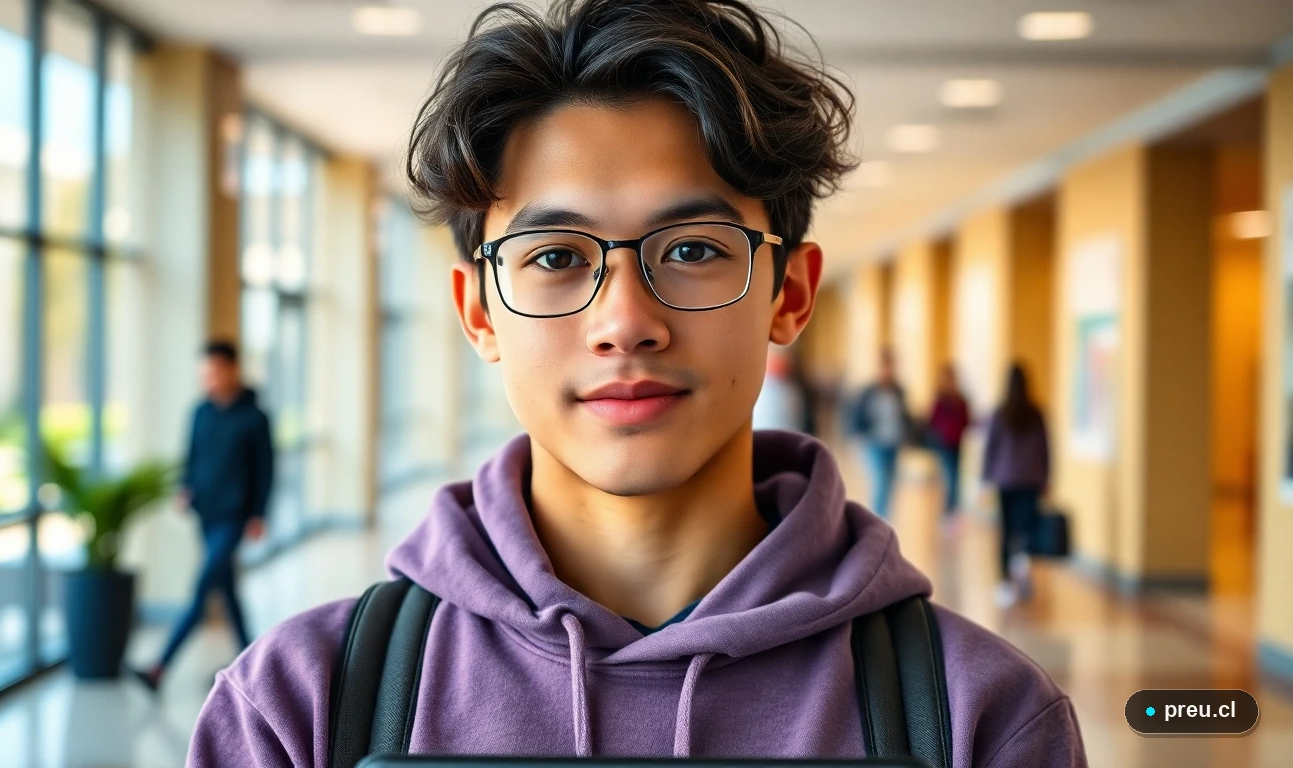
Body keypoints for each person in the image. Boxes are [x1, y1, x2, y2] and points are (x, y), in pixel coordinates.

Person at [189, 1, 1084, 764]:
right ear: (478, 312)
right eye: (555, 257)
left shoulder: (977, 720)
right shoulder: (299, 709)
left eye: (692, 250)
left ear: (791, 293)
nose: (624, 321)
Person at [133, 340, 273, 694]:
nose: (208, 380)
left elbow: (265, 470)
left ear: (232, 369)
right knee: (226, 591)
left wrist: (258, 513)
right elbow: (193, 456)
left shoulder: (255, 418)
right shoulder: (200, 411)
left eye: (214, 372)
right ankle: (255, 663)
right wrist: (186, 487)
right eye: (204, 374)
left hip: (235, 516)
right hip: (205, 514)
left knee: (203, 588)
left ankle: (159, 667)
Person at [982, 363, 1051, 609]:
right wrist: (1046, 478)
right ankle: (1021, 564)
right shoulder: (1037, 413)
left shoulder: (1000, 413)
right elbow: (1045, 449)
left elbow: (990, 447)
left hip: (1006, 480)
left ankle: (1004, 583)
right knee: (1025, 529)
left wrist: (985, 478)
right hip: (1031, 479)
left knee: (1006, 530)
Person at [848, 349, 911, 518]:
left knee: (891, 480)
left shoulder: (898, 390)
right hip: (874, 441)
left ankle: (885, 515)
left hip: (893, 441)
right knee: (880, 479)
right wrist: (857, 435)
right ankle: (877, 517)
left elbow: (904, 416)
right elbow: (857, 414)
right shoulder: (869, 391)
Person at [928, 363, 971, 522]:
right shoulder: (940, 399)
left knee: (956, 477)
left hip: (957, 444)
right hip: (943, 444)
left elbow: (967, 420)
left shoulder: (960, 400)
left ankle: (952, 510)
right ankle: (948, 511)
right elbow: (931, 421)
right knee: (950, 477)